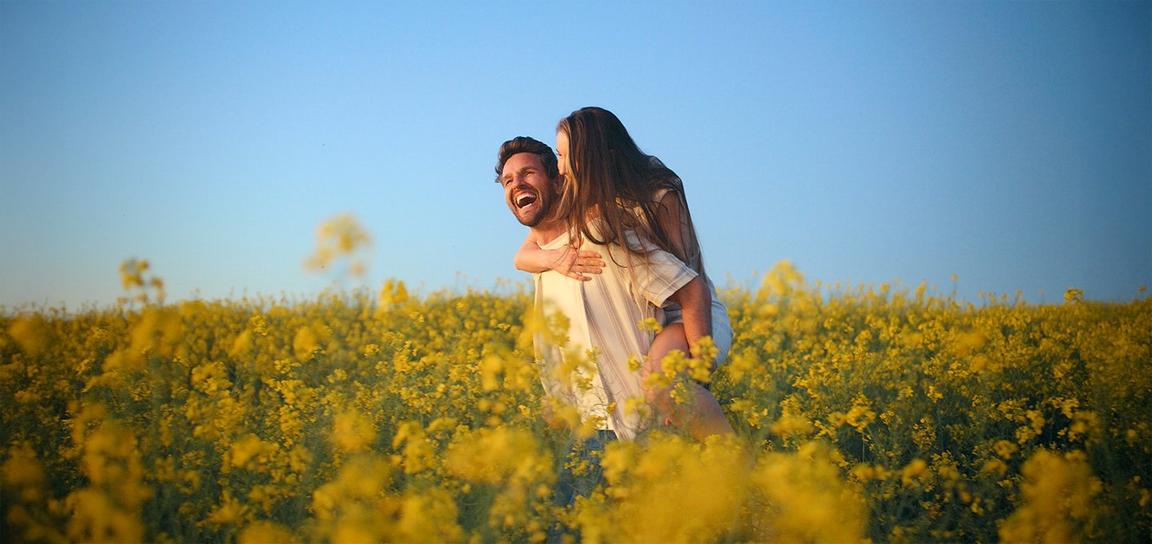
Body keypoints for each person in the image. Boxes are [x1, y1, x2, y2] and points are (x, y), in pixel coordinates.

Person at [516, 107, 733, 437]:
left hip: (686, 312)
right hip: (657, 312)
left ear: (588, 156)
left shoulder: (658, 194)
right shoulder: (585, 203)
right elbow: (524, 254)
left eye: (562, 156)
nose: (558, 168)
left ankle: (735, 466)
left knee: (660, 386)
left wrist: (697, 369)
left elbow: (687, 279)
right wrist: (557, 259)